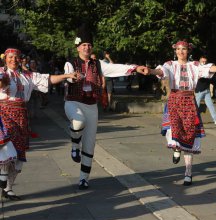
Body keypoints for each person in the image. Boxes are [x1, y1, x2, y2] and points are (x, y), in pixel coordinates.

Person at [138, 40, 216, 186]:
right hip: (175, 100)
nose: (181, 52)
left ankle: (188, 174)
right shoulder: (170, 64)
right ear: (175, 51)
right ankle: (176, 148)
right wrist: (150, 71)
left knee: (190, 136)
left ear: (188, 51)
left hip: (190, 101)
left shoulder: (194, 65)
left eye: (184, 49)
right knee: (171, 129)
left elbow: (208, 68)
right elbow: (161, 71)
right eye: (178, 49)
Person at [64, 24, 145, 190]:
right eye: (84, 45)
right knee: (78, 122)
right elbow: (68, 76)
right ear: (78, 46)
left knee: (89, 143)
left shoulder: (97, 64)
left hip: (91, 105)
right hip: (73, 102)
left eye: (89, 45)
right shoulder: (70, 63)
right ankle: (74, 145)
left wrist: (135, 68)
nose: (87, 47)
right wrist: (72, 78)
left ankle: (83, 178)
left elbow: (115, 68)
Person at [0, 48, 77, 200]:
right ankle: (2, 176)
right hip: (3, 114)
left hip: (21, 115)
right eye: (10, 57)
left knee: (19, 153)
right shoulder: (2, 72)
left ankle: (8, 189)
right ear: (5, 59)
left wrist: (67, 75)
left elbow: (47, 79)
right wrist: (2, 81)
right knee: (7, 148)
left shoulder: (28, 75)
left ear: (21, 59)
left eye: (16, 57)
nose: (13, 60)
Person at [195, 56, 216, 125]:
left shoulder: (207, 67)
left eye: (205, 61)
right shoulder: (197, 68)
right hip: (199, 90)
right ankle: (191, 120)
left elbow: (212, 70)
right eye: (203, 61)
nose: (204, 63)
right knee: (195, 106)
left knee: (210, 104)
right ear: (199, 60)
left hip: (206, 89)